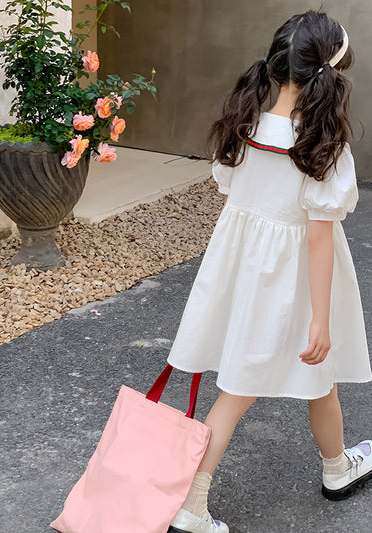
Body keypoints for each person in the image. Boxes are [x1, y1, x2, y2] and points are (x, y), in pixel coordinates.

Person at [165, 11, 372, 533]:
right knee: (267, 382)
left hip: (248, 272)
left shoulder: (246, 127)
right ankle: (192, 504)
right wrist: (321, 319)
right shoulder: (322, 145)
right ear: (333, 72)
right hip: (295, 279)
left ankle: (336, 467)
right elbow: (319, 241)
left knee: (282, 379)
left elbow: (239, 201)